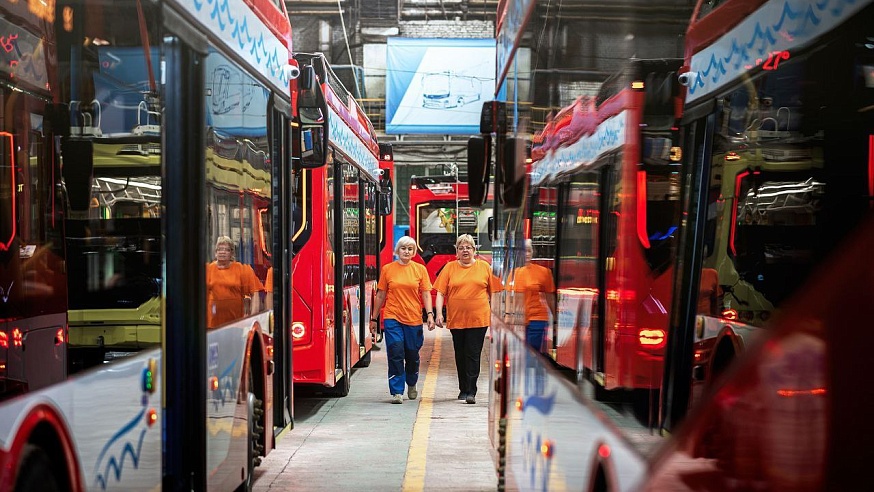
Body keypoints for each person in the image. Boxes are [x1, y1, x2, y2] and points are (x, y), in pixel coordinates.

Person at [434, 234, 502, 404]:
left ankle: (471, 390)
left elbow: (494, 293)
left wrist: (496, 315)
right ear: (456, 251)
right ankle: (463, 388)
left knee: (473, 353)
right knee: (460, 354)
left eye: (468, 247)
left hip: (478, 319)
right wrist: (439, 313)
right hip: (456, 319)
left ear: (474, 250)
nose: (465, 250)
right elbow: (440, 292)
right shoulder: (449, 268)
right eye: (461, 248)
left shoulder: (484, 267)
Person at [370, 236, 435, 404]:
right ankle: (397, 391)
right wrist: (374, 318)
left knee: (412, 355)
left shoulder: (420, 270)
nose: (406, 251)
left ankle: (411, 383)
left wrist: (429, 314)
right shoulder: (388, 269)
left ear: (414, 252)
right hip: (393, 317)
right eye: (403, 248)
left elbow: (426, 293)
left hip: (413, 318)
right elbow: (381, 294)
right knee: (395, 352)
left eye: (410, 249)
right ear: (397, 250)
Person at [206, 236, 264, 329]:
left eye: (226, 249)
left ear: (231, 253)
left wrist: (252, 321)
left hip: (236, 324)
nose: (222, 252)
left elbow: (255, 293)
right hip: (211, 325)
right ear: (215, 252)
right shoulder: (207, 269)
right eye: (219, 249)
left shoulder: (242, 269)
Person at [512, 239, 556, 351]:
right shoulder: (514, 273)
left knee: (532, 356)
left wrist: (556, 320)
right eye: (523, 251)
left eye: (528, 251)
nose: (526, 254)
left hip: (537, 321)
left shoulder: (543, 272)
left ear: (532, 252)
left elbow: (550, 298)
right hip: (520, 322)